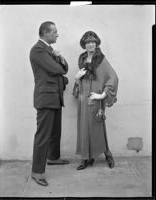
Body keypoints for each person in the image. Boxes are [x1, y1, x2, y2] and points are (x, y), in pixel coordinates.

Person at [29, 21, 69, 186]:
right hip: (46, 98)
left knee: (55, 131)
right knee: (43, 135)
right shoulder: (38, 49)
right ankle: (37, 172)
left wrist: (61, 59)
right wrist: (58, 60)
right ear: (45, 33)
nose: (57, 35)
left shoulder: (49, 50)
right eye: (54, 32)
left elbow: (64, 68)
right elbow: (56, 70)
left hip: (55, 97)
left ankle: (52, 158)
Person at [73, 31, 118, 170]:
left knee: (98, 128)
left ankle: (107, 154)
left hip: (95, 99)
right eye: (88, 42)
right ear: (84, 44)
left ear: (96, 43)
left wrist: (102, 95)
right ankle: (86, 158)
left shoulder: (101, 60)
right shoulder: (82, 59)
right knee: (84, 127)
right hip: (83, 98)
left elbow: (113, 77)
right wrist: (76, 78)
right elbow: (81, 81)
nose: (91, 44)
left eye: (93, 41)